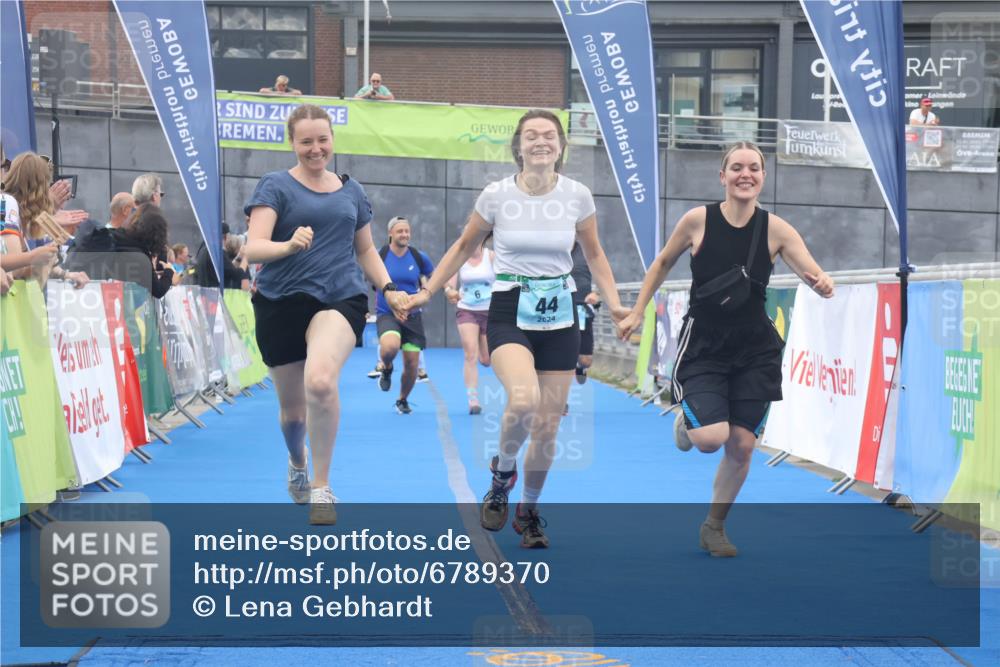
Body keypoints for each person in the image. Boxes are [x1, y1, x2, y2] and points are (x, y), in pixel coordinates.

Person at [408, 109, 628, 548]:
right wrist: (427, 291)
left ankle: (528, 512)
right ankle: (502, 472)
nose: (541, 141)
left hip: (560, 311)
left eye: (549, 135)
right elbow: (463, 245)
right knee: (524, 400)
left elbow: (596, 253)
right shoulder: (496, 196)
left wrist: (618, 305)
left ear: (562, 146)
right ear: (519, 145)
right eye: (532, 135)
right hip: (510, 307)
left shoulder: (578, 196)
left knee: (548, 426)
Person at [617, 141, 835, 558]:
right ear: (722, 176)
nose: (745, 174)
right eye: (736, 167)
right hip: (705, 343)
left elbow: (809, 269)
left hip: (755, 347)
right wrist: (636, 311)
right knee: (710, 439)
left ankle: (714, 527)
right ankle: (691, 422)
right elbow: (662, 263)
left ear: (763, 177)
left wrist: (822, 282)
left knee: (742, 445)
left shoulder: (777, 229)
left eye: (754, 168)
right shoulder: (698, 221)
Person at [243, 103, 407, 525]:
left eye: (322, 140)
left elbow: (366, 249)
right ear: (293, 143)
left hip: (339, 297)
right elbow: (253, 247)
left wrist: (388, 288)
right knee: (293, 415)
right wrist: (288, 246)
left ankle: (322, 486)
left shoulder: (352, 191)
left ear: (332, 139)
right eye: (306, 142)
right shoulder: (275, 185)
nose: (316, 149)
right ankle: (297, 462)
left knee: (320, 381)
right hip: (280, 301)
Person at [373, 216, 435, 414]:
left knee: (412, 365)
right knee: (390, 347)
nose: (404, 235)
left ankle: (402, 399)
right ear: (390, 233)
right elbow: (372, 279)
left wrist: (425, 287)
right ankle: (387, 367)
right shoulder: (380, 256)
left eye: (407, 231)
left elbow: (429, 274)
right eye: (400, 231)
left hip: (413, 316)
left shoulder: (418, 256)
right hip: (387, 314)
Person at [0, 152, 88, 288]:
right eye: (47, 184)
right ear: (39, 188)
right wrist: (38, 259)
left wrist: (65, 274)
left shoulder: (22, 217)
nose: (50, 190)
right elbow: (14, 269)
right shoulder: (7, 204)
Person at [66, 204, 175, 298]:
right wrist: (169, 272)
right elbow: (158, 290)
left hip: (74, 296)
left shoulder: (114, 237)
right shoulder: (139, 257)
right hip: (106, 310)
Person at [444, 243, 495, 414]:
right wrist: (450, 291)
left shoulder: (492, 257)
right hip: (467, 310)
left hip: (490, 311)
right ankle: (473, 399)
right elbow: (449, 285)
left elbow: (504, 279)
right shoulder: (460, 258)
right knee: (470, 353)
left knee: (487, 360)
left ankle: (484, 354)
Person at [570, 241, 600, 386]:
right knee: (561, 357)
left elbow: (602, 275)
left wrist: (596, 293)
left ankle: (579, 367)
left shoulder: (586, 249)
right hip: (558, 310)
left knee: (585, 360)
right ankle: (560, 402)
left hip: (582, 309)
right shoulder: (552, 250)